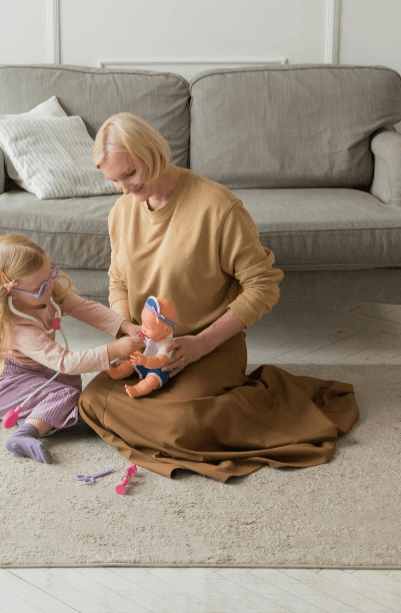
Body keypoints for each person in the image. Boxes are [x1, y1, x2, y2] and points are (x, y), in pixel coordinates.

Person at [78, 112, 359, 482]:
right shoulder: (121, 212)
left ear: (154, 154)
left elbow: (263, 285)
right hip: (148, 352)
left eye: (130, 175)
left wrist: (199, 345)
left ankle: (255, 399)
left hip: (209, 349)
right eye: (114, 180)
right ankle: (170, 419)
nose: (124, 189)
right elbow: (117, 280)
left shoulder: (218, 207)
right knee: (91, 400)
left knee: (181, 425)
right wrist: (126, 327)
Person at [0, 233, 143, 464]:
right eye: (40, 288)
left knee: (71, 381)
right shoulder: (19, 327)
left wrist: (125, 326)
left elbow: (86, 309)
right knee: (67, 393)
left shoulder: (48, 292)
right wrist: (113, 350)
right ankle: (24, 434)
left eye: (51, 274)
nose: (50, 286)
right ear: (10, 291)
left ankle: (34, 415)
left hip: (31, 368)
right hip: (0, 383)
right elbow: (66, 362)